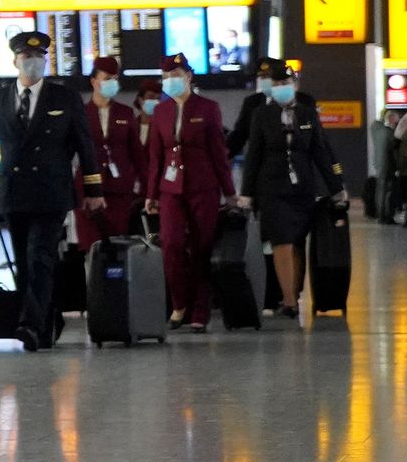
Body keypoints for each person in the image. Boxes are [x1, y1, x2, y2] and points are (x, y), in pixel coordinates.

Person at [0, 32, 102, 352]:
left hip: (51, 191)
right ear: (15, 62)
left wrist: (92, 187)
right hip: (14, 192)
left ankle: (29, 324)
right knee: (24, 263)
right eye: (27, 58)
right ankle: (42, 327)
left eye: (39, 58)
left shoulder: (64, 98)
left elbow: (85, 144)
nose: (33, 63)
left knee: (39, 255)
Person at [238, 58, 346, 316]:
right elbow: (253, 155)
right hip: (272, 190)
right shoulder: (262, 114)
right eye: (276, 83)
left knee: (297, 243)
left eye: (285, 82)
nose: (281, 87)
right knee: (282, 242)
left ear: (294, 84)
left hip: (302, 189)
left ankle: (294, 294)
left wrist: (336, 187)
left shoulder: (307, 113)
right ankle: (288, 301)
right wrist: (246, 193)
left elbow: (320, 151)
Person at [143, 53, 235, 333]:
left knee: (201, 248)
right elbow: (155, 156)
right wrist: (151, 194)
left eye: (177, 76)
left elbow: (219, 153)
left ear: (188, 77)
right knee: (170, 244)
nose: (171, 81)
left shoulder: (208, 108)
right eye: (167, 77)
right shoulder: (161, 111)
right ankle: (179, 303)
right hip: (170, 188)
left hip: (203, 187)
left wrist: (229, 192)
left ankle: (200, 310)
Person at [76, 57, 142, 249]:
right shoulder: (80, 113)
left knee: (117, 246)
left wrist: (147, 190)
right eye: (107, 78)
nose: (112, 83)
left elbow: (137, 154)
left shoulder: (125, 113)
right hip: (87, 191)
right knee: (91, 247)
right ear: (94, 81)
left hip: (119, 191)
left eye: (115, 79)